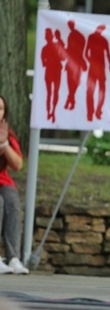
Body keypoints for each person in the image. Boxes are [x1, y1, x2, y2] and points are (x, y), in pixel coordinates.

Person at [0, 95, 29, 274]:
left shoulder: (6, 133)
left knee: (11, 199)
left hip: (3, 182)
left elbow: (17, 165)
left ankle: (13, 258)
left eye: (1, 109)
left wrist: (4, 144)